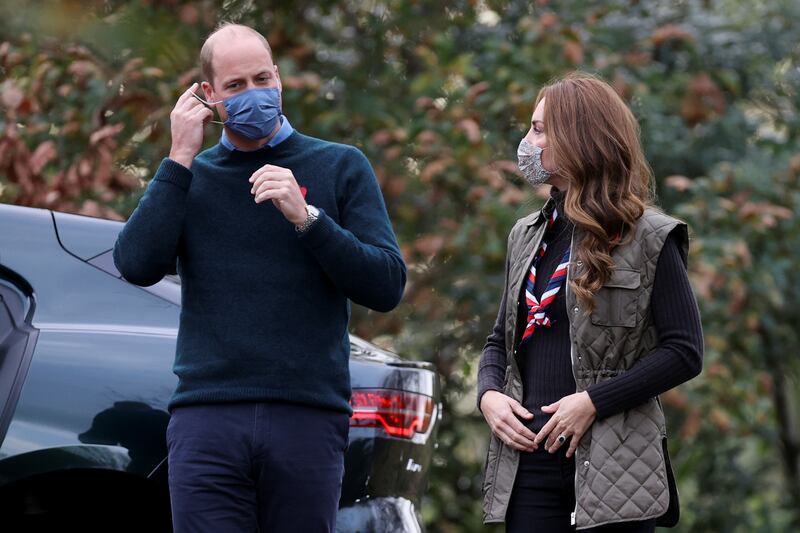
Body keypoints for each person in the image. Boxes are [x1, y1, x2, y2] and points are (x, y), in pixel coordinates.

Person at [113, 23, 406, 533]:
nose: (254, 95)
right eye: (235, 86)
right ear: (207, 96)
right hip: (207, 420)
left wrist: (307, 217)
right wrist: (179, 156)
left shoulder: (340, 165)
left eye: (262, 79)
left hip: (306, 418)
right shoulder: (191, 178)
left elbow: (386, 285)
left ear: (279, 80)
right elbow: (135, 264)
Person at [478, 72, 703, 532]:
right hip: (530, 461)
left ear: (579, 139)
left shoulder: (651, 236)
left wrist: (593, 401)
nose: (527, 141)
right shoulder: (525, 235)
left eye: (539, 129)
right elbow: (498, 342)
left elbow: (684, 351)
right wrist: (488, 396)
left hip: (616, 466)